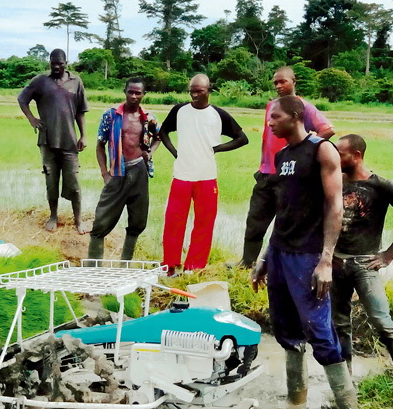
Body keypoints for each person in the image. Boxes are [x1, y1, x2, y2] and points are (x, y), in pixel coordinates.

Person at [250, 96, 358, 409]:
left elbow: (335, 207)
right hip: (281, 254)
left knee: (319, 330)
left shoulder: (321, 150)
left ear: (295, 116)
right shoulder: (282, 155)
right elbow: (284, 213)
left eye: (275, 117)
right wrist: (266, 257)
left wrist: (326, 260)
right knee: (286, 330)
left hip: (308, 256)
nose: (269, 123)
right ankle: (295, 404)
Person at [331, 134, 393, 369]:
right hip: (336, 263)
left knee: (381, 320)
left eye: (341, 153)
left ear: (357, 155)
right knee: (339, 323)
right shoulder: (334, 181)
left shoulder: (382, 186)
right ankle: (345, 377)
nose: (335, 157)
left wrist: (389, 254)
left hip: (365, 264)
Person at [236, 66, 334, 268]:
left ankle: (279, 264)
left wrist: (304, 148)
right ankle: (247, 262)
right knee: (255, 221)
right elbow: (267, 137)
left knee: (286, 223)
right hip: (266, 172)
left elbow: (328, 129)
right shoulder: (271, 106)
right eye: (275, 82)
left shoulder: (303, 107)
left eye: (283, 81)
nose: (279, 86)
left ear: (294, 81)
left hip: (289, 174)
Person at [159, 74, 248, 274]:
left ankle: (194, 266)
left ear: (209, 90)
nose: (194, 94)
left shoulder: (218, 115)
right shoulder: (179, 111)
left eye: (199, 90)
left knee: (204, 223)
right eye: (192, 90)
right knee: (173, 221)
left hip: (207, 178)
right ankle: (170, 265)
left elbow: (242, 138)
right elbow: (163, 131)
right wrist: (175, 152)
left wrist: (217, 148)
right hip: (181, 176)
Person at [87, 78, 160, 262]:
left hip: (139, 171)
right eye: (131, 92)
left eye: (138, 93)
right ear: (124, 91)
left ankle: (124, 266)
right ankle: (92, 271)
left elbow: (159, 136)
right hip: (117, 173)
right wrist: (105, 174)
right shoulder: (111, 115)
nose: (134, 96)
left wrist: (150, 152)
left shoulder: (148, 118)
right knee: (101, 222)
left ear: (144, 95)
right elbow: (99, 145)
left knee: (137, 220)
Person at [18, 48, 89, 233]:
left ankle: (79, 220)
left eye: (60, 63)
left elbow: (81, 111)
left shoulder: (76, 82)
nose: (57, 66)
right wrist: (32, 119)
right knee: (51, 181)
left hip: (70, 141)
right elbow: (22, 99)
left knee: (73, 181)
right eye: (53, 63)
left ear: (66, 63)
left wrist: (83, 135)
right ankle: (53, 216)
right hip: (47, 140)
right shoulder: (40, 81)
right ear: (49, 63)